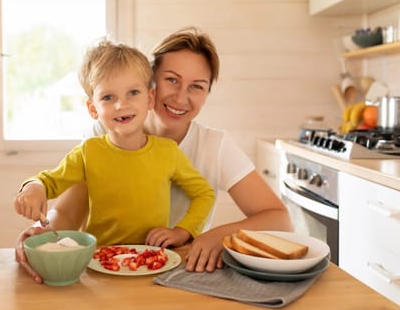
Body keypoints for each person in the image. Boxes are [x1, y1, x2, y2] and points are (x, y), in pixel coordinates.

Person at [16, 27, 292, 283]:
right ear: (151, 84)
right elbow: (68, 211)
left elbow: (279, 219)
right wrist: (43, 236)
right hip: (109, 270)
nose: (181, 97)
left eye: (197, 86)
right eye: (172, 80)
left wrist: (218, 235)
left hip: (181, 274)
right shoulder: (104, 134)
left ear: (207, 92)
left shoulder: (214, 145)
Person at [14, 40, 215, 249]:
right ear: (93, 109)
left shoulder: (168, 153)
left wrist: (182, 231)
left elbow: (204, 194)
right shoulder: (88, 152)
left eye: (133, 93)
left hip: (153, 262)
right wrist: (32, 187)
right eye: (108, 97)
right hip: (100, 264)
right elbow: (48, 182)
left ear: (150, 98)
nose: (122, 105)